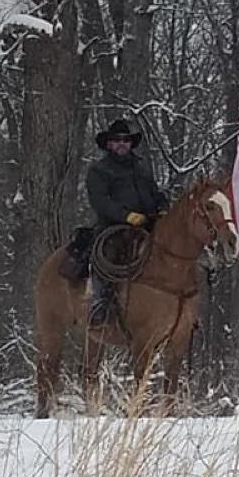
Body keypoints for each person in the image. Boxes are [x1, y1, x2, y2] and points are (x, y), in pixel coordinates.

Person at [84, 119, 169, 326]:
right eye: (116, 140)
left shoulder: (141, 168)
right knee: (108, 254)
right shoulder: (99, 170)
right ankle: (101, 301)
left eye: (125, 140)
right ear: (109, 144)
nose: (122, 144)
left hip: (148, 223)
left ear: (131, 143)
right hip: (113, 226)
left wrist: (163, 207)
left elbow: (154, 192)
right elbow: (100, 201)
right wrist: (127, 216)